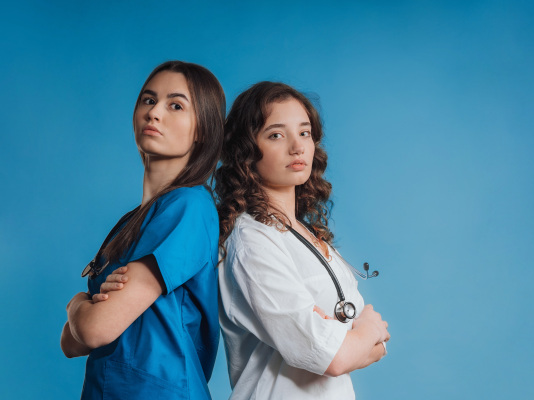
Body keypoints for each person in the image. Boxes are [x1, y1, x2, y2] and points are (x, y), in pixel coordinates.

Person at [60, 60, 225, 400]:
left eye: (175, 105)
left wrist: (77, 303)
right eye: (148, 100)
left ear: (203, 130)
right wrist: (87, 316)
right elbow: (69, 344)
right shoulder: (130, 222)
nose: (154, 113)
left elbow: (93, 329)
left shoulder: (189, 207)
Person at [214, 81, 390, 399]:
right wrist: (368, 327)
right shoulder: (251, 241)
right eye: (276, 134)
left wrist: (352, 340)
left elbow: (373, 351)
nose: (297, 147)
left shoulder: (303, 232)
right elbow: (335, 357)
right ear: (245, 150)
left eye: (305, 132)